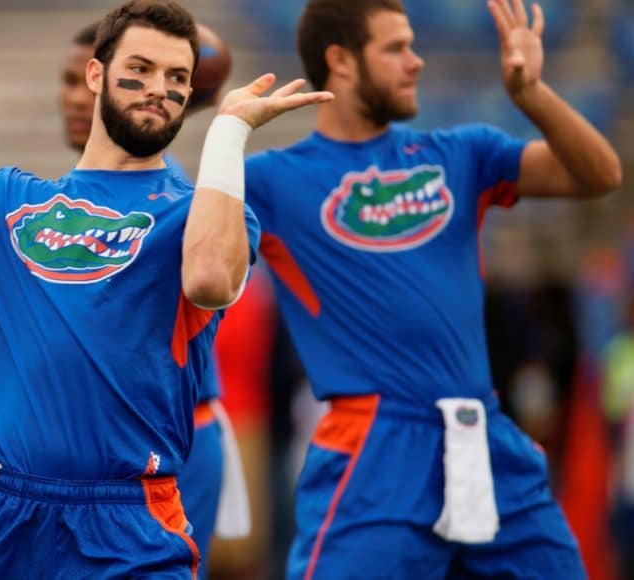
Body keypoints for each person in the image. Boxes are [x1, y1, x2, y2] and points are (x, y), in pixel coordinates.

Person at [0, 1, 331, 577]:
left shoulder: (198, 214)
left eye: (177, 78)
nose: (159, 88)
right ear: (97, 75)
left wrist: (228, 133)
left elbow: (210, 280)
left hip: (127, 519)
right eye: (142, 68)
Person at [243, 0, 622, 578]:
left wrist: (532, 97)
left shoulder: (461, 152)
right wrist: (225, 132)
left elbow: (599, 175)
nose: (416, 62)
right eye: (396, 48)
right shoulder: (270, 179)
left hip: (485, 433)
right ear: (340, 61)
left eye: (414, 45)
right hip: (375, 446)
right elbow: (201, 264)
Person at [57, 21, 250, 574]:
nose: (76, 96)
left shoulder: (171, 193)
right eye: (69, 80)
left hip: (168, 444)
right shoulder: (63, 196)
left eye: (83, 80)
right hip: (115, 451)